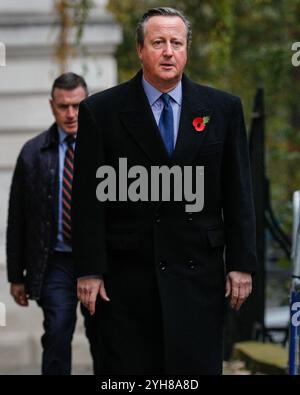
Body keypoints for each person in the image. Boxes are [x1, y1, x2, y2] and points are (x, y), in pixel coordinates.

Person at [72, 7, 257, 375]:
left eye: (177, 42)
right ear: (140, 49)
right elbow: (87, 201)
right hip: (127, 281)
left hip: (198, 276)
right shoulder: (101, 111)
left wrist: (241, 264)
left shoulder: (223, 109)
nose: (168, 51)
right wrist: (89, 270)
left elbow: (239, 193)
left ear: (187, 49)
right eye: (158, 42)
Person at [6, 72, 97, 375]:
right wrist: (16, 275)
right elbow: (17, 216)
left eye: (77, 106)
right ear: (52, 106)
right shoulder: (33, 153)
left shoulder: (105, 147)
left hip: (98, 260)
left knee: (106, 335)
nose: (71, 114)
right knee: (57, 330)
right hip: (54, 260)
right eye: (63, 106)